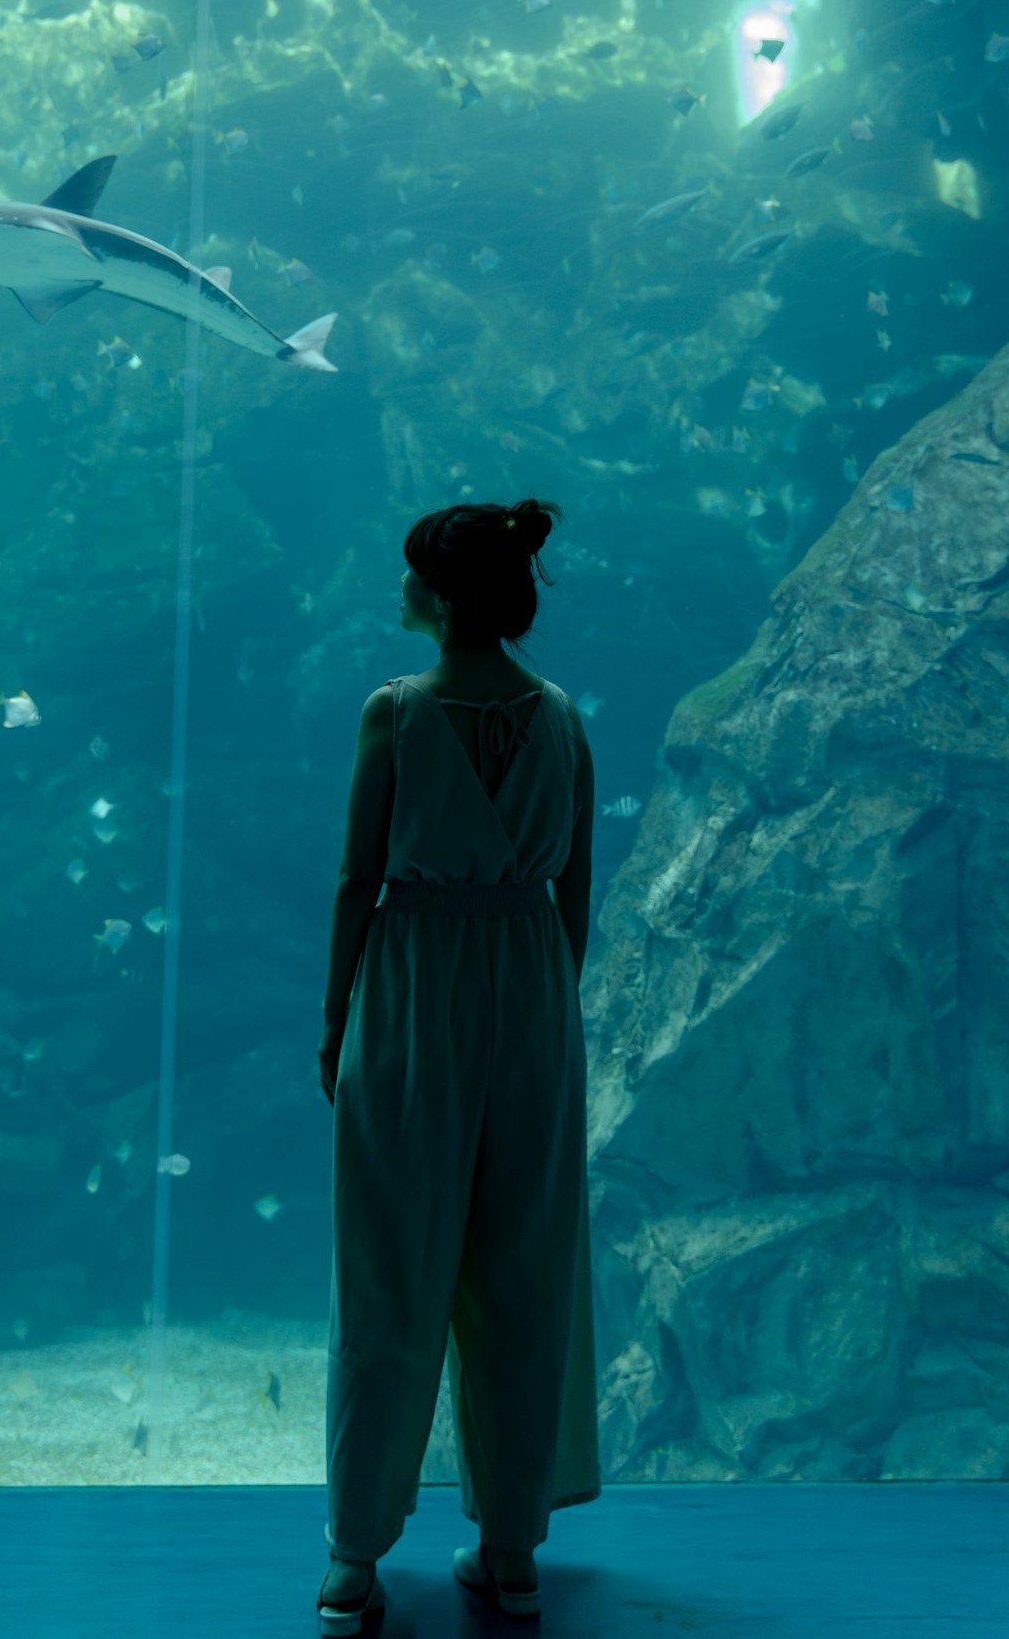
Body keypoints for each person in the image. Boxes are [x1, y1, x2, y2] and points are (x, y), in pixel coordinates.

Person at [316, 497, 600, 1634]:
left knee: (392, 1265)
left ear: (444, 597)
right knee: (523, 1269)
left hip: (415, 984)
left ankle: (352, 1559)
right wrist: (545, 1000)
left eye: (410, 576)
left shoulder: (395, 712)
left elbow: (356, 879)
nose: (399, 592)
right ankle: (513, 1549)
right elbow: (573, 885)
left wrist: (338, 1018)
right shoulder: (566, 718)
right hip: (531, 986)